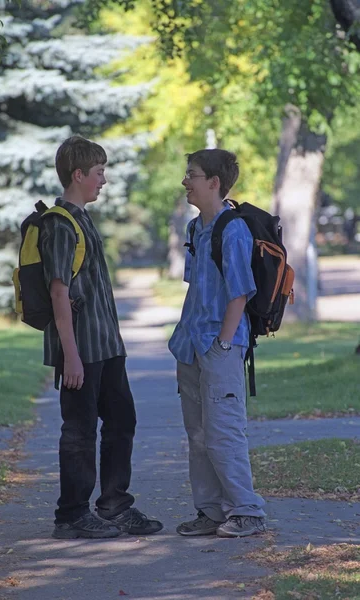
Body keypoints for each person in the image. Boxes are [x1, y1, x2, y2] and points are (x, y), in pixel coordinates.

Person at [40, 135, 163, 539]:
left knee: (121, 419)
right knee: (78, 430)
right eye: (98, 173)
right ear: (79, 175)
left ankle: (112, 505)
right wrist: (70, 356)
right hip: (82, 349)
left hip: (107, 345)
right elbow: (58, 291)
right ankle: (71, 515)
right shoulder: (59, 224)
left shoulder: (82, 218)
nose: (104, 180)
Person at [168, 149, 266, 538]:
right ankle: (210, 511)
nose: (185, 181)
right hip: (190, 344)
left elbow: (239, 293)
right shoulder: (195, 229)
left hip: (219, 347)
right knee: (197, 435)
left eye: (191, 174)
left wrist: (224, 346)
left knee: (224, 431)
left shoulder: (233, 229)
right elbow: (197, 286)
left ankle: (248, 511)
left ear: (214, 182)